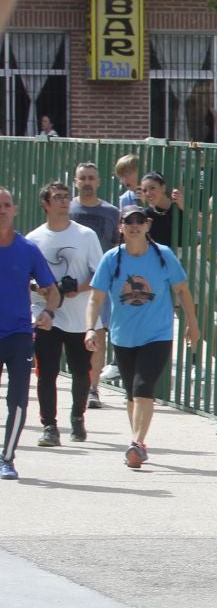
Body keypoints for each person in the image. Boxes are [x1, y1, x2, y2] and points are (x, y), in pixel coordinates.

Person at [84, 203, 200, 469]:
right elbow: (96, 298)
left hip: (157, 335)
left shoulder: (163, 255)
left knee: (142, 386)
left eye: (140, 221)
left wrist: (192, 324)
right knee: (130, 394)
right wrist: (91, 327)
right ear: (121, 227)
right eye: (129, 222)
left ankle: (137, 443)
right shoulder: (112, 259)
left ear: (147, 225)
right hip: (123, 336)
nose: (134, 226)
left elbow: (182, 291)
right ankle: (137, 441)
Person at [27, 180, 102, 446]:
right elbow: (27, 280)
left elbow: (99, 275)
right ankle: (49, 426)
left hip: (80, 314)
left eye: (66, 197)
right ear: (45, 204)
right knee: (46, 371)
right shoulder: (34, 240)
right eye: (57, 197)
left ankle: (78, 418)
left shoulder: (85, 236)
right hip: (46, 314)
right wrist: (46, 291)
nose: (63, 201)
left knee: (81, 370)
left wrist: (76, 288)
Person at [0, 187, 57, 481]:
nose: (2, 210)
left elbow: (52, 291)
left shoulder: (28, 249)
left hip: (19, 334)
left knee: (18, 400)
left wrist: (48, 312)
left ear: (15, 210)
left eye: (7, 205)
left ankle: (7, 458)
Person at [70, 162, 119, 406]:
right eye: (83, 178)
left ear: (98, 182)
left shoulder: (111, 212)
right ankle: (76, 379)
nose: (87, 182)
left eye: (91, 178)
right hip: (71, 285)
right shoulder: (67, 210)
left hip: (101, 284)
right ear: (76, 182)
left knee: (98, 335)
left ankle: (92, 388)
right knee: (68, 334)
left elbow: (117, 245)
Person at [140, 172, 183, 249]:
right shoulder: (147, 214)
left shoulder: (178, 206)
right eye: (144, 191)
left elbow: (207, 227)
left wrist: (184, 208)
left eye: (152, 188)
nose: (148, 193)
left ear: (163, 187)